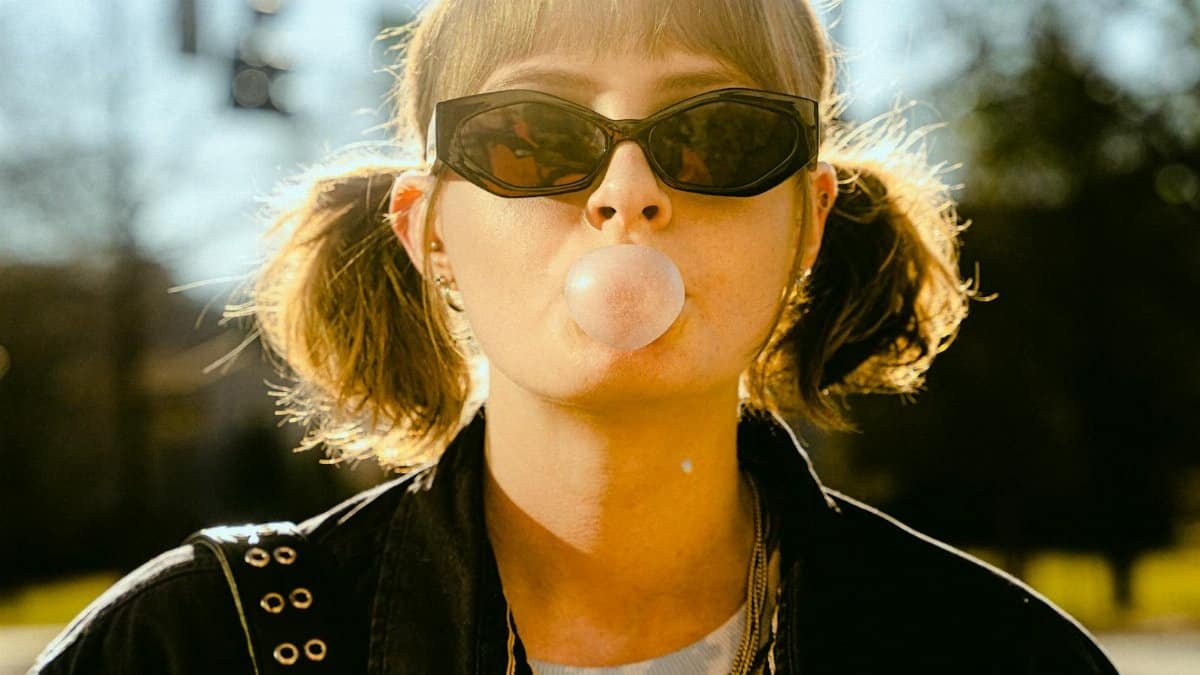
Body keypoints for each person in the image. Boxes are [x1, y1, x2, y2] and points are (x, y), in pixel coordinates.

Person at [32, 0, 1120, 673]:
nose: (626, 191)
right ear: (430, 232)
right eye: (529, 135)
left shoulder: (996, 657)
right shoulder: (190, 651)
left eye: (720, 133)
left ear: (809, 222)